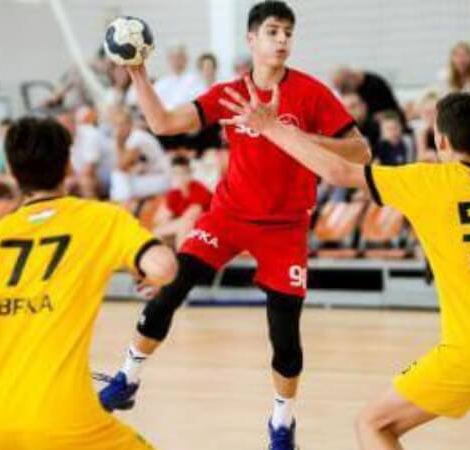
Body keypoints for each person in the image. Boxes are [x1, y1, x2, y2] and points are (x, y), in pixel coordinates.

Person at [220, 78, 470, 449]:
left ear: (440, 140)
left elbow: (337, 171)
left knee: (373, 424)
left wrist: (271, 127)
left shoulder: (426, 182)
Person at [96, 2, 370, 448]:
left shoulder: (311, 93)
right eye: (273, 31)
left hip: (286, 227)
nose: (282, 40)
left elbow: (361, 151)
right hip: (228, 215)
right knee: (172, 287)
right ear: (251, 39)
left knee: (285, 336)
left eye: (288, 33)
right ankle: (127, 377)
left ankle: (282, 423)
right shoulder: (229, 93)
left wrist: (287, 132)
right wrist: (138, 75)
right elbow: (163, 122)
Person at [0, 116, 177, 450]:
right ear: (69, 164)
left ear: (11, 171)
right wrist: (147, 273)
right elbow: (164, 267)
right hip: (65, 415)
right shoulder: (101, 218)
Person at [108, 106, 171, 202]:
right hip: (153, 176)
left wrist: (117, 140)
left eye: (122, 124)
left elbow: (121, 166)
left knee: (118, 176)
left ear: (130, 124)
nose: (119, 128)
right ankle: (123, 202)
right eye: (116, 125)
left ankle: (123, 204)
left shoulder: (137, 137)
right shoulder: (132, 137)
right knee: (118, 185)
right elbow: (127, 166)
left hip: (164, 179)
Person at [153, 155, 212, 248]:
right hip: (187, 230)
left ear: (190, 173)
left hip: (208, 230)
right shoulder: (174, 194)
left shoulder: (198, 189)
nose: (180, 177)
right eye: (176, 173)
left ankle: (182, 255)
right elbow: (159, 219)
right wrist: (164, 226)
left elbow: (191, 217)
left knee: (185, 225)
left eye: (183, 173)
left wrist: (166, 227)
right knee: (158, 233)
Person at [333, 65, 409, 130]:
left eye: (343, 87)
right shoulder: (353, 88)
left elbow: (393, 112)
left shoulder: (375, 85)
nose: (342, 92)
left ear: (352, 78)